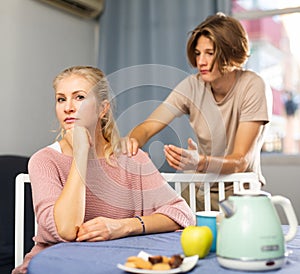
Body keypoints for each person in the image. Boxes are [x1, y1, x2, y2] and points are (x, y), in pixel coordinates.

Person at [12, 66, 195, 274]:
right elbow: (66, 230)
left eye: (79, 97)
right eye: (61, 99)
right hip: (53, 266)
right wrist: (81, 153)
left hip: (113, 265)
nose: (68, 107)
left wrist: (123, 226)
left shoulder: (130, 157)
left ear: (102, 108)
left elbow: (182, 214)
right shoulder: (44, 160)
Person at [123, 13, 273, 210]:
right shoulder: (192, 86)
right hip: (201, 188)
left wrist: (199, 162)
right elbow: (148, 126)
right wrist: (132, 141)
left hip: (240, 191)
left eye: (210, 53)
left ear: (231, 52)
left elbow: (240, 161)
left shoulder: (253, 86)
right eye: (198, 53)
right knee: (161, 219)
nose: (201, 61)